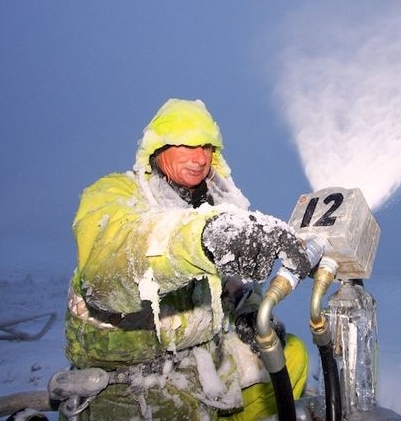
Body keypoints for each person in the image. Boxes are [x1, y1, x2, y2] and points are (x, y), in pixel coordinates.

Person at [65, 98, 315, 420]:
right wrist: (205, 237)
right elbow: (109, 267)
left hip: (200, 367)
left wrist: (250, 314)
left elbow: (234, 288)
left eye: (208, 146)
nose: (200, 158)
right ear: (157, 149)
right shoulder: (116, 195)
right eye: (186, 145)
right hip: (128, 384)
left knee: (289, 354)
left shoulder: (213, 206)